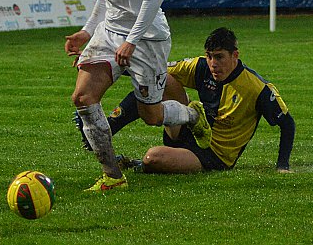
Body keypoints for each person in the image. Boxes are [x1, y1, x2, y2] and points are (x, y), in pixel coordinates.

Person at [65, 0, 211, 192]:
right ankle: (113, 176)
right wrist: (87, 31)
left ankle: (191, 115)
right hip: (110, 33)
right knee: (83, 97)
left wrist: (131, 41)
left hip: (147, 39)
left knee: (152, 115)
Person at [76, 27, 296, 174]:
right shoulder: (200, 66)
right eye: (209, 56)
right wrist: (99, 65)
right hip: (188, 131)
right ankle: (110, 126)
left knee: (153, 157)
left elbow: (288, 124)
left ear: (235, 55)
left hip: (213, 155)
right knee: (162, 80)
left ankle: (139, 164)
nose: (213, 63)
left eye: (219, 57)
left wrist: (282, 166)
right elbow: (154, 72)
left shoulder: (256, 87)